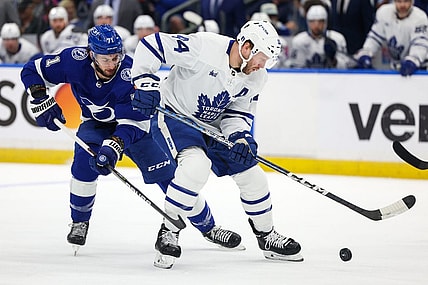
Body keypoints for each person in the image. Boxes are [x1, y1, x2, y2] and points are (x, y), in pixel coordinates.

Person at [20, 24, 242, 255]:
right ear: (90, 54)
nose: (111, 64)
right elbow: (32, 71)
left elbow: (135, 122)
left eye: (115, 57)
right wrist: (39, 98)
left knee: (171, 179)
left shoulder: (132, 74)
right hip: (94, 124)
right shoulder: (73, 61)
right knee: (82, 166)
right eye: (104, 59)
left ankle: (209, 227)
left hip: (136, 129)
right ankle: (79, 221)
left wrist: (114, 146)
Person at [130, 20, 303, 269]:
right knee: (195, 167)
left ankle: (267, 237)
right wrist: (146, 81)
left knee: (254, 176)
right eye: (261, 58)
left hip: (214, 125)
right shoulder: (204, 46)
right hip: (175, 115)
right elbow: (153, 44)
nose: (262, 65)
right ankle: (169, 231)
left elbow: (237, 113)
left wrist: (241, 138)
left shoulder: (257, 77)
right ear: (247, 47)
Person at [355, 0, 428, 76]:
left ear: (412, 2)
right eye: (399, 1)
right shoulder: (384, 13)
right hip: (395, 68)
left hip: (420, 69)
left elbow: (420, 43)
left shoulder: (420, 17)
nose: (402, 5)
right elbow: (375, 37)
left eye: (406, 1)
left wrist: (413, 60)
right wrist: (366, 52)